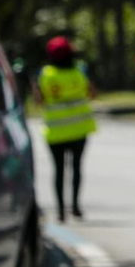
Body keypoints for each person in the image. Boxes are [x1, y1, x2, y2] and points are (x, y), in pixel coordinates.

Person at [37, 36, 95, 222]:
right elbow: (92, 93)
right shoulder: (79, 71)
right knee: (76, 168)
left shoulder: (45, 74)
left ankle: (61, 210)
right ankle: (76, 206)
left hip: (55, 132)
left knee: (59, 170)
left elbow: (39, 100)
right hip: (79, 129)